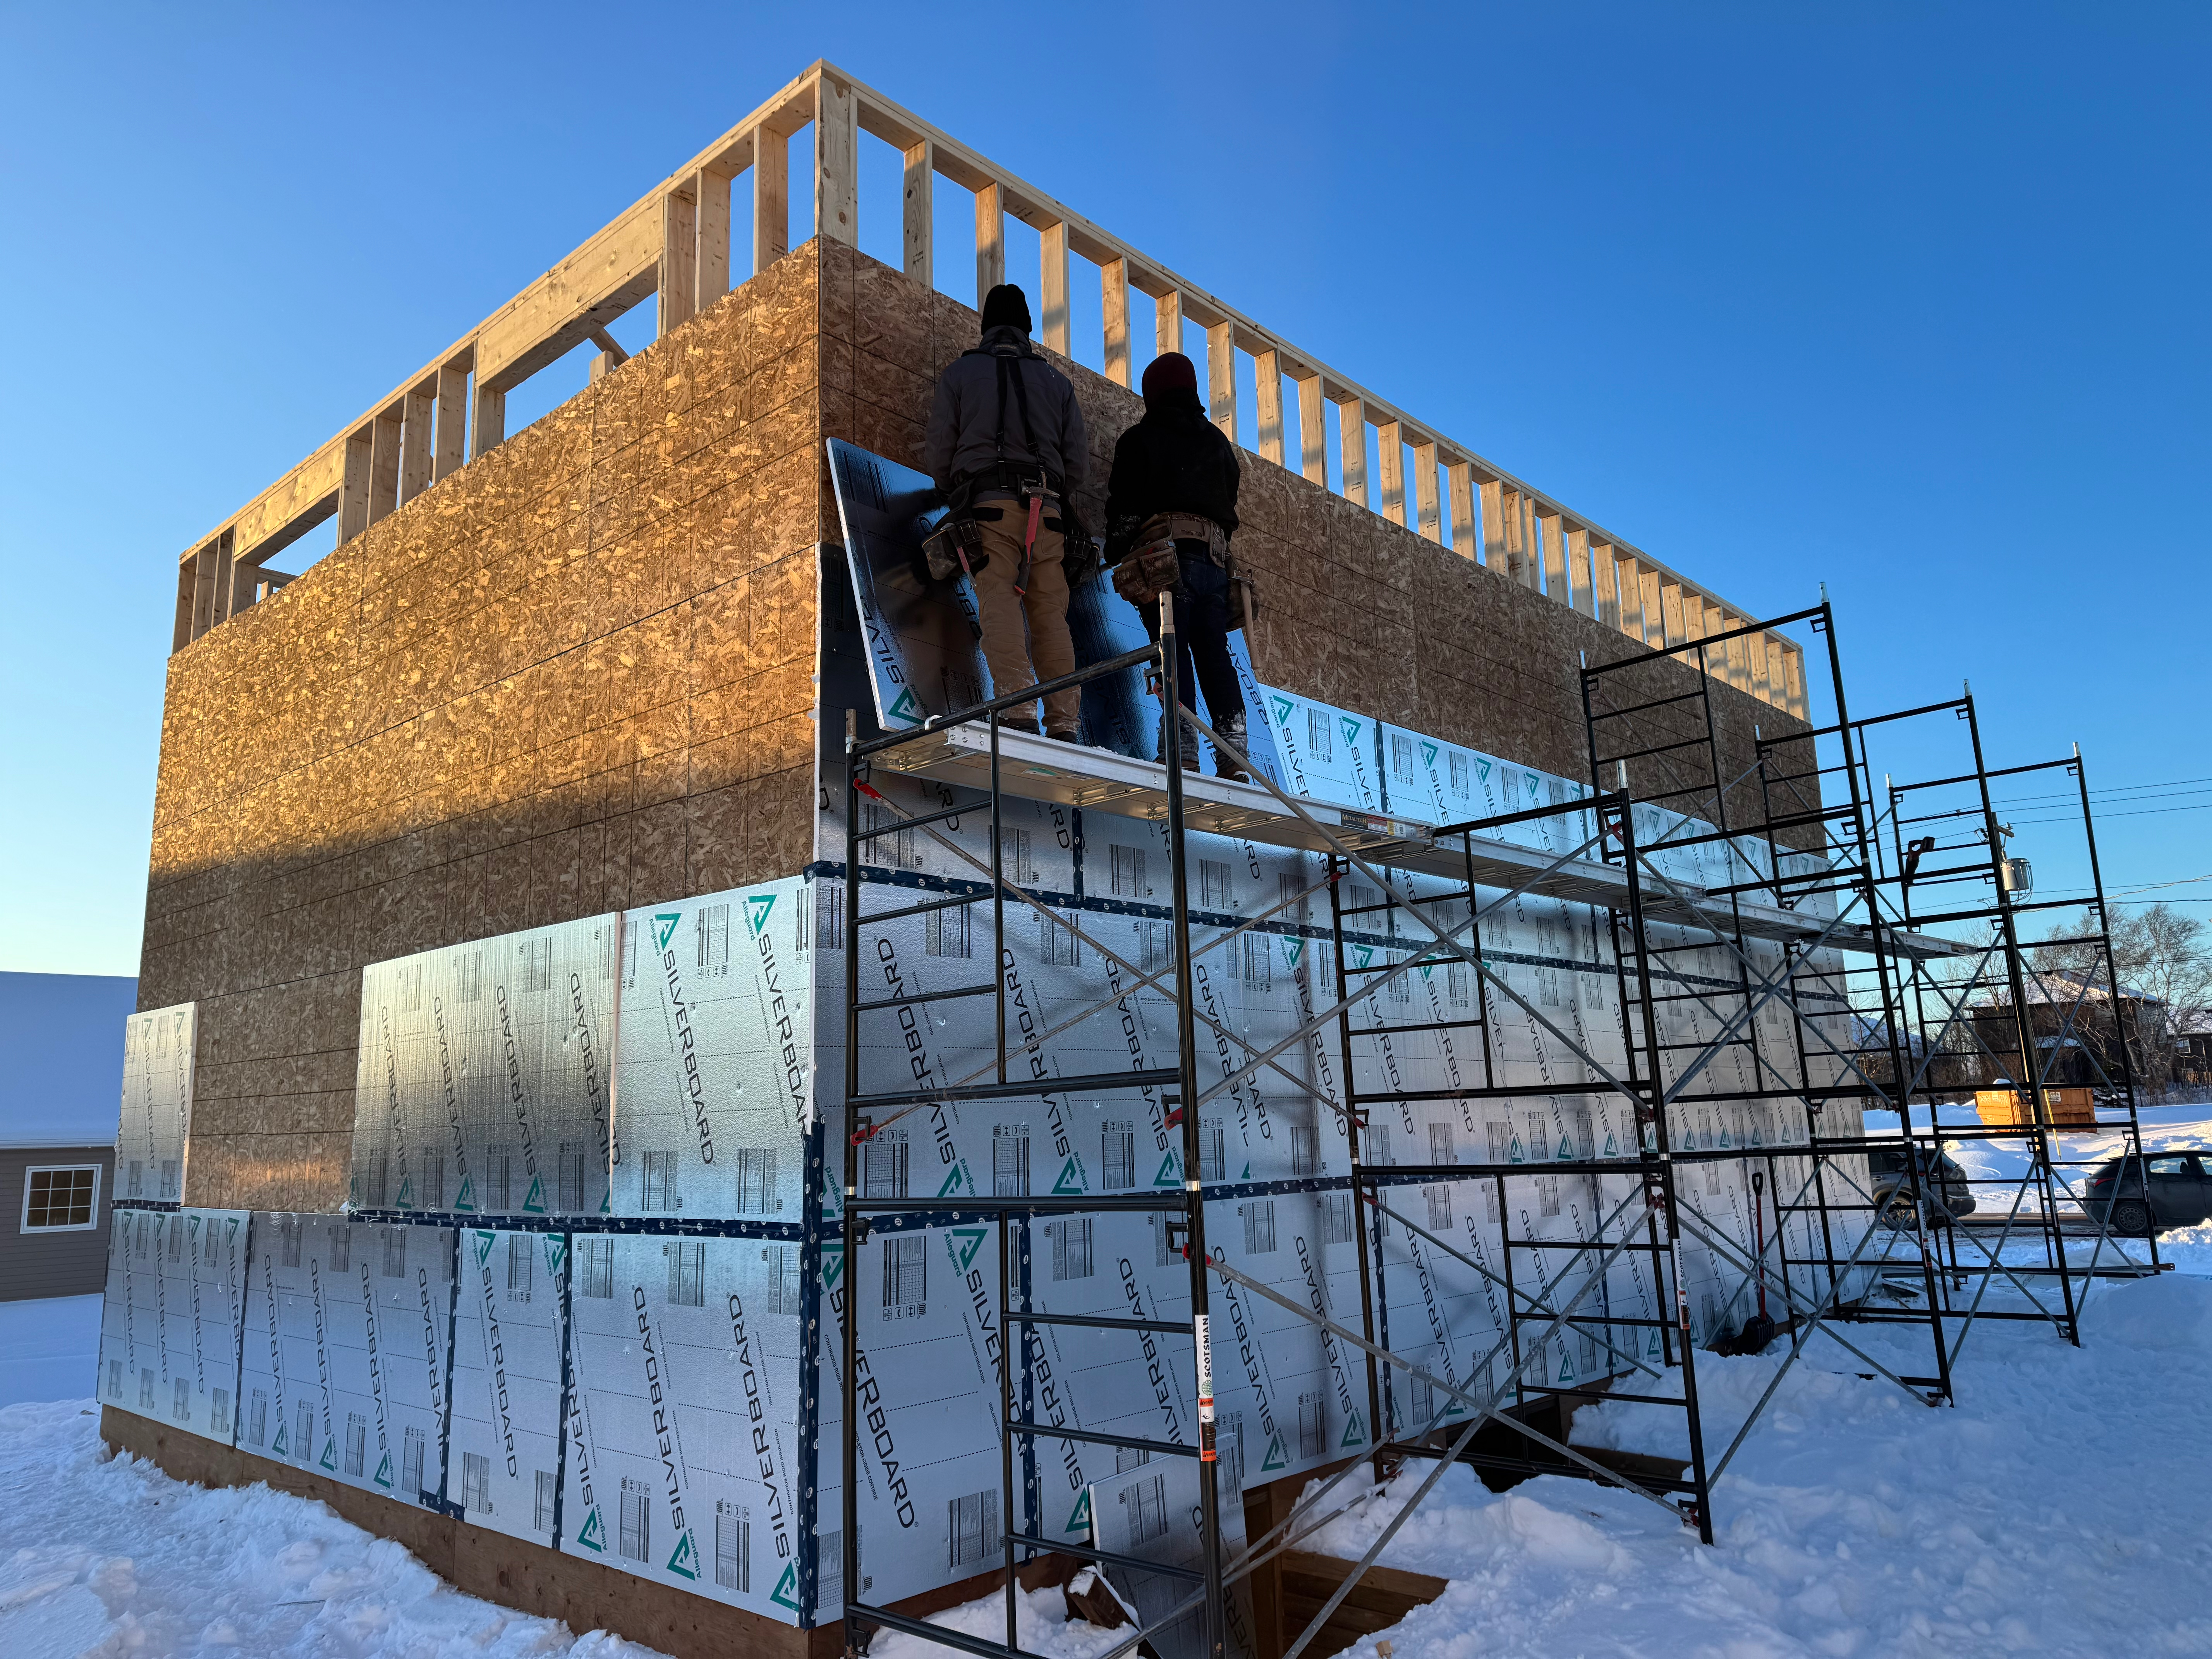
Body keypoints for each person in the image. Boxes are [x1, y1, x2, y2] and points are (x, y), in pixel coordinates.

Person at [921, 283, 1090, 741]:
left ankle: (1018, 711)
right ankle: (1065, 724)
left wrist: (955, 488)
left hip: (989, 508)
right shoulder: (1057, 383)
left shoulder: (962, 373)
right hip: (1048, 512)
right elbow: (1077, 464)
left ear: (987, 328)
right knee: (1051, 615)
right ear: (1027, 329)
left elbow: (940, 452)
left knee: (999, 602)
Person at [1103, 352, 1249, 777]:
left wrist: (1116, 550)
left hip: (1164, 561)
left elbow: (1125, 509)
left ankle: (1181, 750)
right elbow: (1229, 502)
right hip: (1214, 562)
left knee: (1172, 649)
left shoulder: (1141, 439)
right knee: (1214, 653)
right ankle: (1235, 756)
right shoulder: (1218, 444)